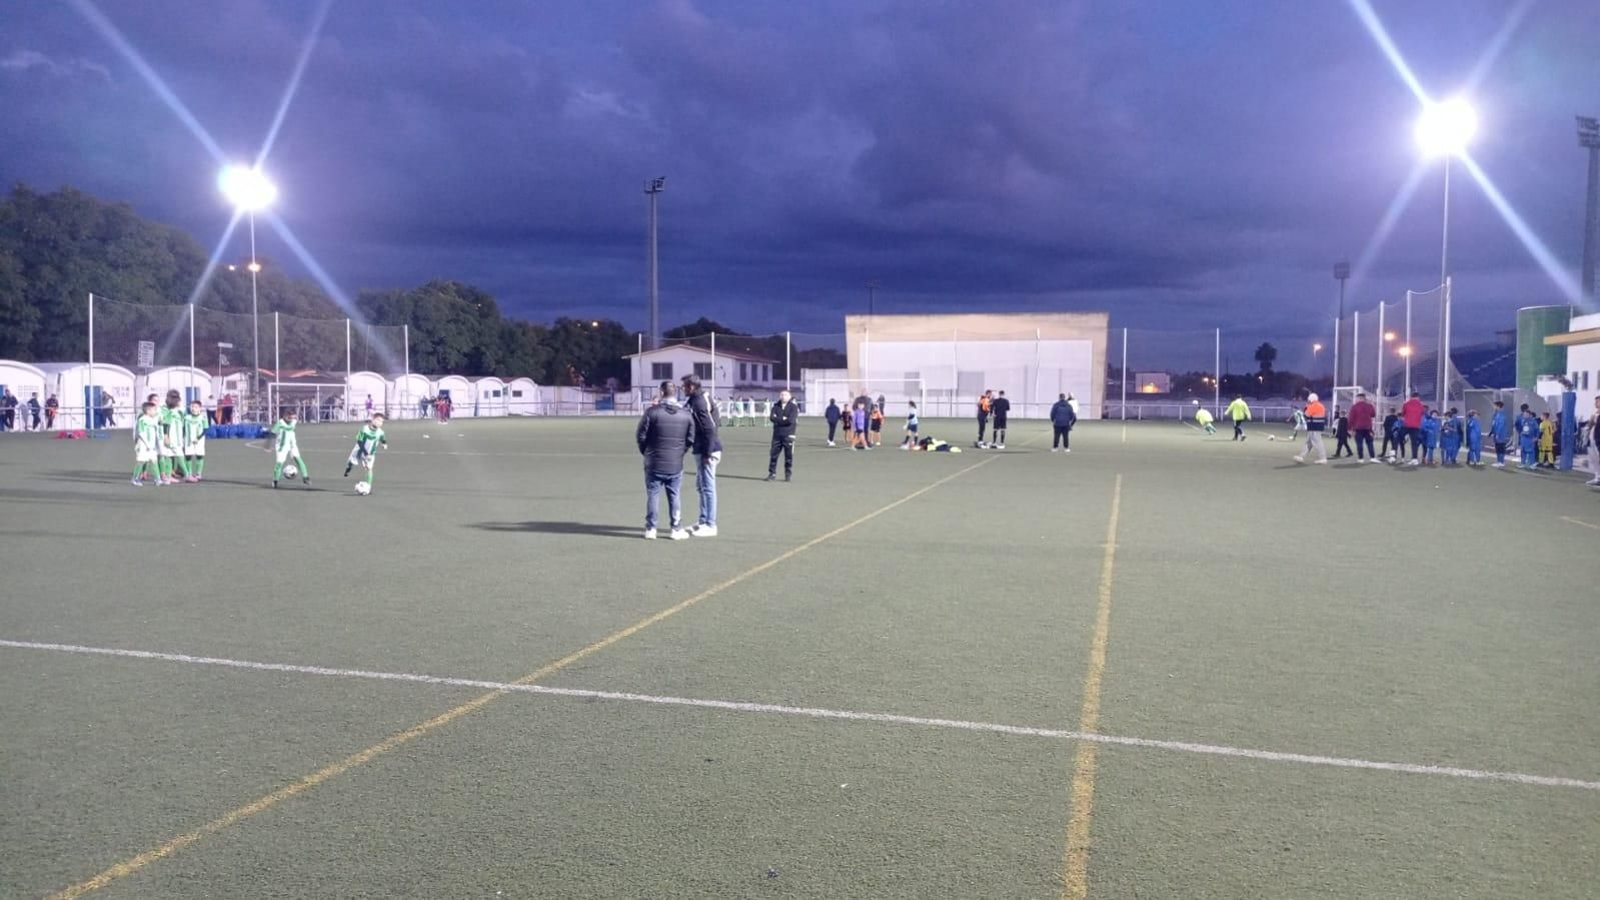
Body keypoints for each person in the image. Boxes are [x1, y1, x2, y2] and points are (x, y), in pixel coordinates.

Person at [637, 383, 694, 539]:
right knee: (674, 495)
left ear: (661, 392)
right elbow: (690, 438)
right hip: (675, 463)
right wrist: (680, 453)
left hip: (654, 461)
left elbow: (641, 435)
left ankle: (651, 528)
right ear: (675, 393)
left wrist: (646, 452)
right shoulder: (686, 414)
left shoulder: (651, 413)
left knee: (653, 495)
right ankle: (676, 528)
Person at [680, 373, 721, 537]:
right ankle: (703, 521)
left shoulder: (699, 402)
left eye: (684, 386)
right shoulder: (695, 399)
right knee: (701, 486)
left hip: (707, 450)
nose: (682, 389)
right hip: (700, 448)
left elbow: (710, 427)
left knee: (708, 487)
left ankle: (711, 525)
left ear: (691, 387)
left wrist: (708, 452)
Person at [344, 412, 389, 493]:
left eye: (382, 422)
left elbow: (383, 439)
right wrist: (365, 453)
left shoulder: (380, 432)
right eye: (378, 420)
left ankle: (368, 487)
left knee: (369, 469)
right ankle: (348, 469)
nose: (380, 423)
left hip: (371, 454)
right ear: (373, 419)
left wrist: (384, 444)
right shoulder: (364, 429)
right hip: (359, 451)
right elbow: (360, 442)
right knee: (350, 463)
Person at [272, 409, 311, 488]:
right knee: (279, 464)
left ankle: (305, 477)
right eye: (290, 418)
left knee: (299, 460)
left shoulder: (294, 422)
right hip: (282, 447)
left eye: (293, 417)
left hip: (292, 445)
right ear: (285, 416)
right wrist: (267, 446)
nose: (291, 419)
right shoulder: (280, 423)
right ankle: (275, 480)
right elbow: (272, 433)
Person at [767, 389, 798, 482]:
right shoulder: (776, 406)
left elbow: (790, 420)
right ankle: (772, 474)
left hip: (788, 435)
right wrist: (782, 419)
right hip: (777, 435)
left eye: (785, 395)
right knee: (773, 455)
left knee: (788, 456)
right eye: (781, 394)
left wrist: (779, 419)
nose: (783, 396)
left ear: (789, 396)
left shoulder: (793, 407)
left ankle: (787, 474)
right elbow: (772, 418)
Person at [159, 391, 190, 485]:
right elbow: (165, 424)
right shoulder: (167, 411)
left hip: (178, 436)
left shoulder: (180, 410)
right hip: (172, 437)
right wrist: (166, 436)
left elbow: (184, 422)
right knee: (178, 454)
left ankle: (169, 476)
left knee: (170, 455)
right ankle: (187, 475)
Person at [1292, 392, 1328, 464]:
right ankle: (1301, 456)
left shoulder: (1313, 405)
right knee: (1308, 442)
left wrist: (1307, 406)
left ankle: (1323, 458)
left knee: (1317, 442)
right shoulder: (1320, 405)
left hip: (1314, 426)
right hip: (1317, 426)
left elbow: (1306, 414)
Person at [132, 402, 160, 486]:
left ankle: (157, 479)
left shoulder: (153, 420)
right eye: (154, 410)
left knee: (154, 461)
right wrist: (147, 444)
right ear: (148, 411)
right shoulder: (142, 420)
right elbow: (141, 433)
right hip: (144, 445)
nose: (155, 411)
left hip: (152, 445)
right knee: (141, 461)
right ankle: (135, 478)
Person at [183, 399, 208, 482]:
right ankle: (189, 473)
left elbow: (205, 429)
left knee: (199, 456)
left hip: (199, 441)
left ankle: (198, 473)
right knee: (188, 456)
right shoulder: (187, 418)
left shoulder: (203, 417)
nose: (194, 408)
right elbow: (183, 428)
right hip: (188, 440)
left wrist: (198, 438)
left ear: (200, 408)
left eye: (196, 407)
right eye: (192, 407)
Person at [1348, 393, 1377, 462]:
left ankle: (1361, 458)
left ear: (1359, 398)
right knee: (1370, 443)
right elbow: (1373, 415)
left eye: (1357, 398)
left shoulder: (1354, 407)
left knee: (1359, 443)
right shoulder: (1369, 406)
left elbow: (1351, 418)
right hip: (1368, 428)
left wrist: (1349, 428)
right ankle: (1372, 457)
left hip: (1358, 428)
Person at [1400, 391, 1425, 466]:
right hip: (1416, 426)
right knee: (1414, 443)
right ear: (1418, 397)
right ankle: (1415, 459)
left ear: (1411, 396)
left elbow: (1402, 413)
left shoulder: (1406, 403)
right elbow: (1422, 413)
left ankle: (1393, 452)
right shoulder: (1421, 405)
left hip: (1407, 425)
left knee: (1398, 436)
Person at [1488, 401, 1510, 467]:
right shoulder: (1496, 414)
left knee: (1500, 447)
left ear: (1498, 406)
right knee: (1497, 447)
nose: (1494, 407)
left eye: (1495, 406)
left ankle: (1501, 462)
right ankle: (1499, 461)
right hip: (1496, 434)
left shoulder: (1502, 415)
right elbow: (1494, 424)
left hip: (1500, 434)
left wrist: (1497, 433)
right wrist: (1491, 432)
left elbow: (1500, 425)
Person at [1585, 395, 1600, 486]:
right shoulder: (1595, 414)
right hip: (1592, 439)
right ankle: (1597, 477)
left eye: (1597, 401)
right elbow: (1590, 425)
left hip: (1599, 440)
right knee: (1593, 459)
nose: (1595, 403)